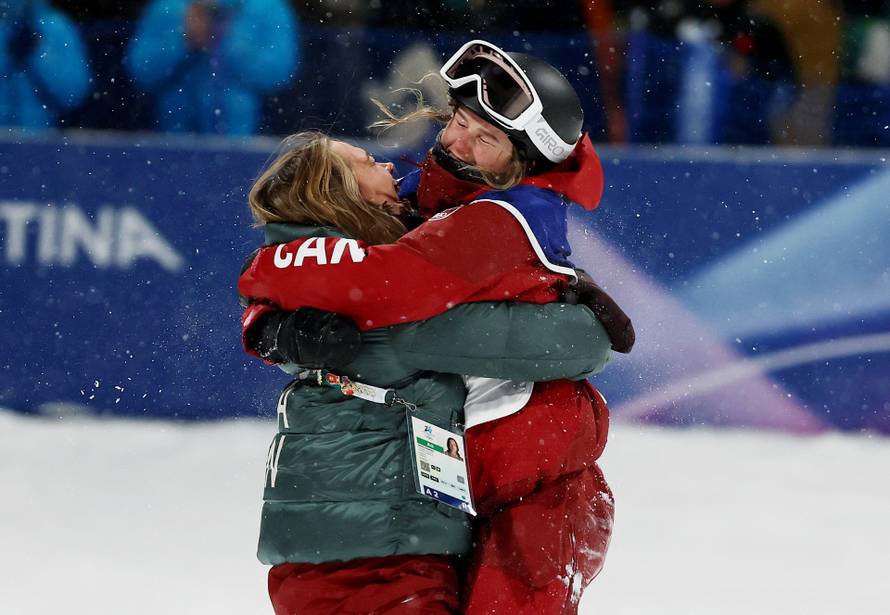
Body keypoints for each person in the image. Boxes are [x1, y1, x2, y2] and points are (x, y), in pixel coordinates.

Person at [241, 39, 633, 614]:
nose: (454, 141)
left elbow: (381, 289)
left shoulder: (502, 216)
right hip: (442, 495)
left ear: (524, 161)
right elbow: (313, 240)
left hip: (531, 479)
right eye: (458, 120)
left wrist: (268, 284)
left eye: (485, 138)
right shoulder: (425, 197)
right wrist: (267, 324)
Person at [124, 0, 299, 135]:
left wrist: (226, 38)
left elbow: (279, 74)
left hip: (245, 142)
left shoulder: (266, 9)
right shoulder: (168, 8)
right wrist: (184, 41)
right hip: (173, 140)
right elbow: (140, 71)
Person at [0, 0, 90, 129]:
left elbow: (74, 94)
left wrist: (38, 55)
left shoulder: (55, 26)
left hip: (41, 135)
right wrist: (6, 57)